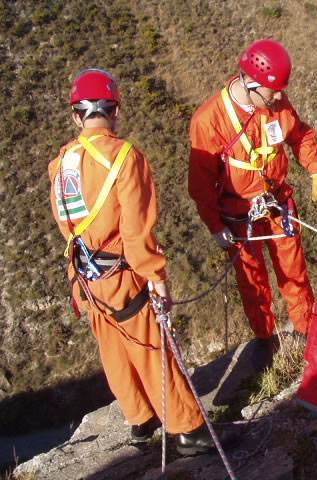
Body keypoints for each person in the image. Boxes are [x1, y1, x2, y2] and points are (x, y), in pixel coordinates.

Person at [49, 68, 235, 455]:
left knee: (113, 350)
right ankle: (188, 429)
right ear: (114, 110)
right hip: (121, 274)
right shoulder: (124, 157)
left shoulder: (60, 163)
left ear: (75, 116)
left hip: (84, 277)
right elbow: (136, 231)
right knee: (151, 347)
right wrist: (157, 278)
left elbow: (68, 226)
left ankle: (140, 418)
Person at [189, 39, 317, 361]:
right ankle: (265, 342)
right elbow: (200, 184)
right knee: (253, 283)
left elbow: (301, 134)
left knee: (294, 272)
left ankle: (306, 332)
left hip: (278, 202)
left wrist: (315, 169)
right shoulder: (209, 120)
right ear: (250, 85)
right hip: (238, 213)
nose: (279, 96)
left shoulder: (275, 103)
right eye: (272, 91)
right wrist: (214, 225)